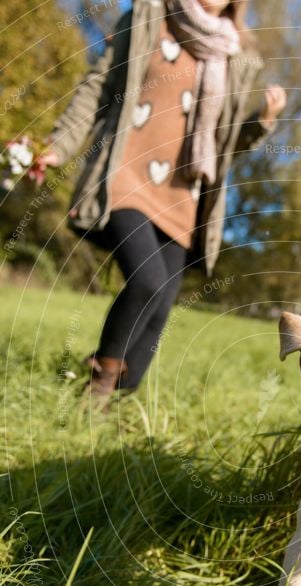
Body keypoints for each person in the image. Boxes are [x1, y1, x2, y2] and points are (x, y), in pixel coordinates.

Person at [40, 0, 286, 402]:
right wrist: (58, 145)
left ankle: (115, 398)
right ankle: (95, 392)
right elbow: (97, 88)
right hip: (126, 175)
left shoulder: (235, 52)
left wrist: (261, 122)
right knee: (147, 280)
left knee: (157, 314)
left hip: (182, 198)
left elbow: (222, 145)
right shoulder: (146, 18)